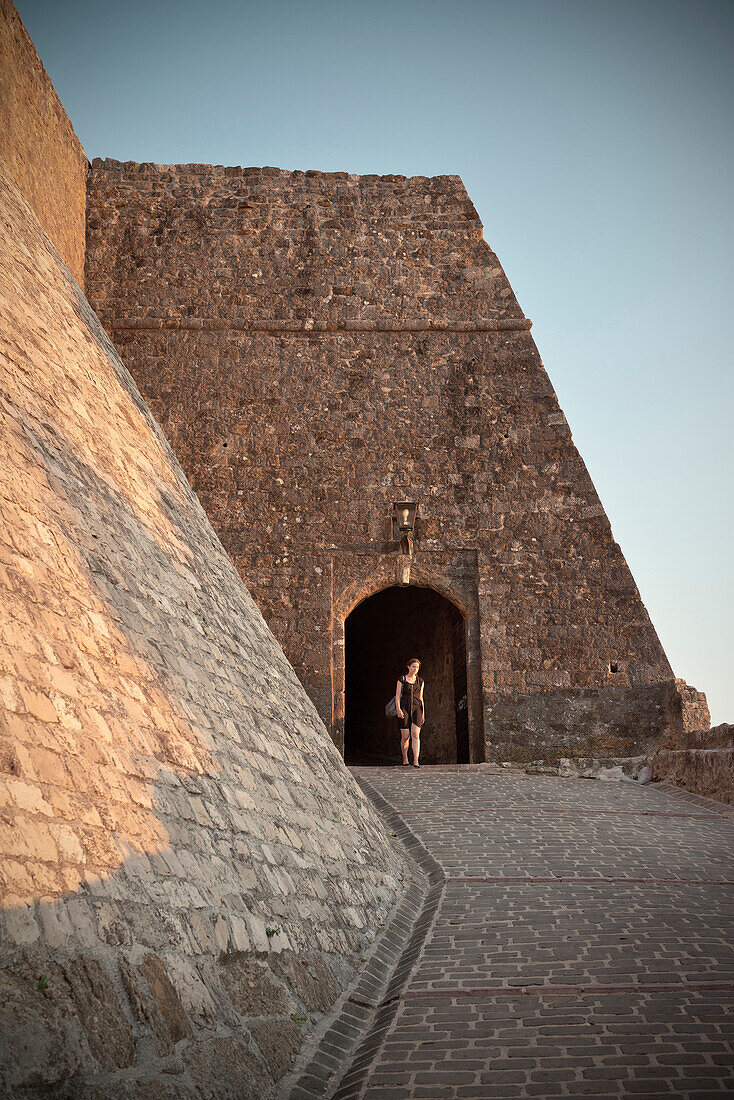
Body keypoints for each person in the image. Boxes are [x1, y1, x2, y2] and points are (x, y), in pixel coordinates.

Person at [395, 658, 424, 768]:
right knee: (406, 736)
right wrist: (398, 709)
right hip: (404, 709)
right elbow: (397, 696)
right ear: (408, 667)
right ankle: (405, 758)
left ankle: (416, 760)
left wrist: (423, 713)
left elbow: (421, 698)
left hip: (417, 709)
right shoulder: (402, 679)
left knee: (415, 734)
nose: (415, 669)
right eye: (413, 667)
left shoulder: (420, 681)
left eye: (417, 667)